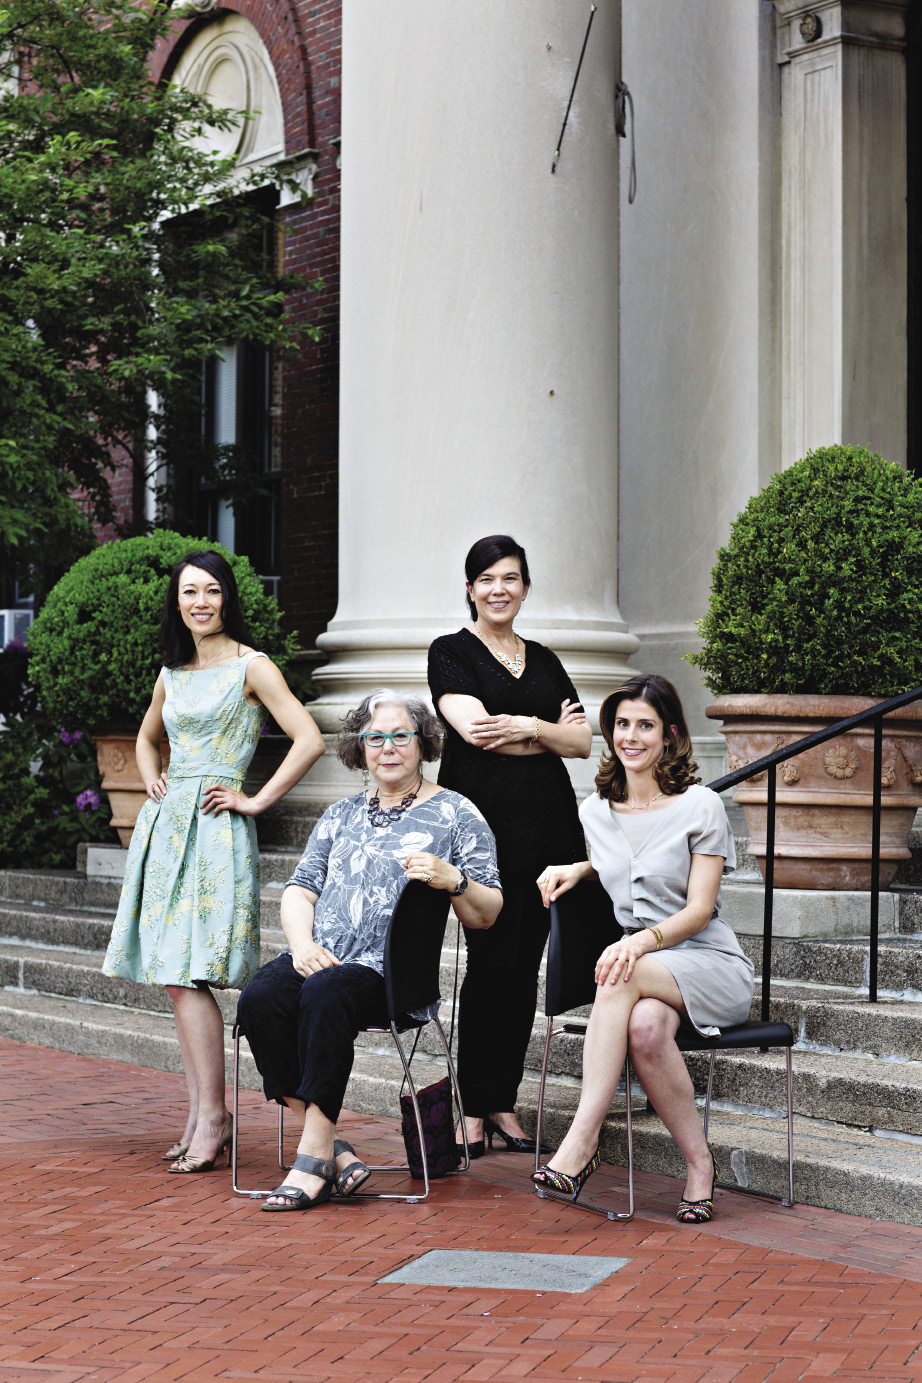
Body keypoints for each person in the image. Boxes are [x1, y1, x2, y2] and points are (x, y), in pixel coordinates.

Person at [236, 689, 503, 1211]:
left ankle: (312, 1160)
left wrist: (455, 880)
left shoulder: (456, 814)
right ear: (360, 747)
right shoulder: (339, 814)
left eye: (400, 736)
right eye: (374, 737)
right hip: (324, 954)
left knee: (325, 996)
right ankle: (335, 1151)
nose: (387, 747)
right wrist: (301, 945)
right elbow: (299, 888)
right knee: (260, 998)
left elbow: (489, 911)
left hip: (392, 974)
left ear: (423, 743)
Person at [103, 550, 326, 1173]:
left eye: (210, 591)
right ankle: (203, 1114)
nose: (199, 602)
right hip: (166, 827)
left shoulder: (251, 666)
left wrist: (254, 800)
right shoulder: (172, 671)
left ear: (226, 598)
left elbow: (308, 738)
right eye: (188, 593)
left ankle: (215, 1119)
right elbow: (148, 737)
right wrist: (152, 779)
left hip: (216, 828)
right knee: (175, 973)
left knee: (191, 969)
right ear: (177, 603)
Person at [532, 673, 755, 1223]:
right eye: (623, 724)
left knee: (616, 974)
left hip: (708, 963)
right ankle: (701, 1165)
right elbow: (628, 866)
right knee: (646, 1029)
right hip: (648, 965)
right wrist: (580, 867)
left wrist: (639, 942)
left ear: (670, 735)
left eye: (646, 726)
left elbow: (699, 909)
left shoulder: (700, 806)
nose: (632, 736)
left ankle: (582, 1140)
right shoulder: (596, 813)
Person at [427, 534, 591, 1157]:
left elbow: (583, 744)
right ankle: (471, 1104)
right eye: (488, 579)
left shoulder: (544, 659)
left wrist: (526, 728)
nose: (500, 589)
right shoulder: (452, 653)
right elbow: (473, 732)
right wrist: (544, 731)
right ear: (470, 588)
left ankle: (502, 1101)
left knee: (527, 970)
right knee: (490, 964)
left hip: (550, 829)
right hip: (482, 831)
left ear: (526, 587)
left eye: (512, 578)